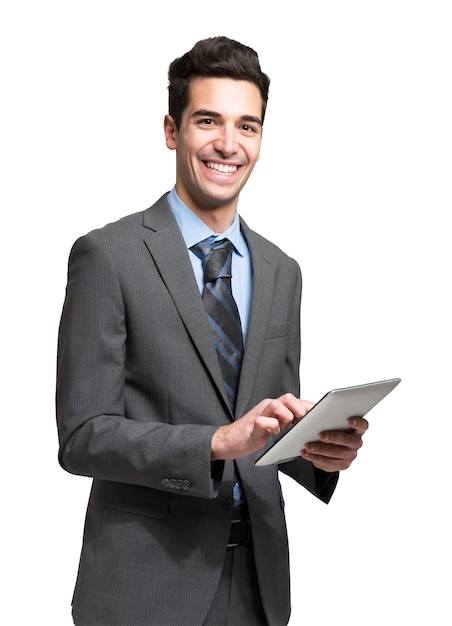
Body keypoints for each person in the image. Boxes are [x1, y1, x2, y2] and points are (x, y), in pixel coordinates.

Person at [56, 36, 368, 626]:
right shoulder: (108, 256)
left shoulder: (282, 271)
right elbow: (82, 436)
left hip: (258, 585)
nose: (229, 144)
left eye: (247, 126)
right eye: (209, 121)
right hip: (144, 588)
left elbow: (268, 432)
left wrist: (320, 452)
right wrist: (214, 443)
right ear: (172, 131)